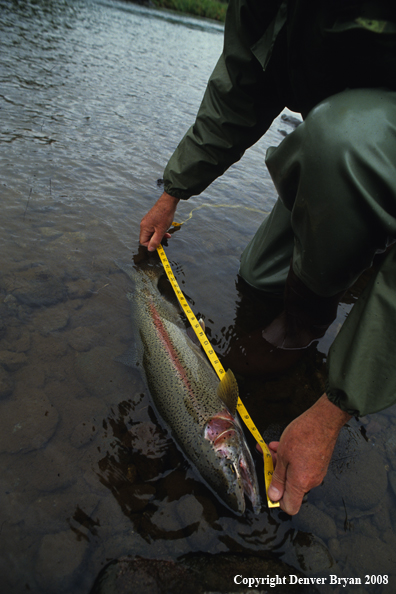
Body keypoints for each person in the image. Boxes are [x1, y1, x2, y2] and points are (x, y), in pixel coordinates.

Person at [139, 0, 396, 515]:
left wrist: (334, 409)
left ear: (220, 434)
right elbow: (237, 91)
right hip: (343, 145)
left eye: (229, 466)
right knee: (256, 276)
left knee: (342, 137)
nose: (239, 473)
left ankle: (312, 316)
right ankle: (358, 242)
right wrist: (174, 190)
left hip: (351, 142)